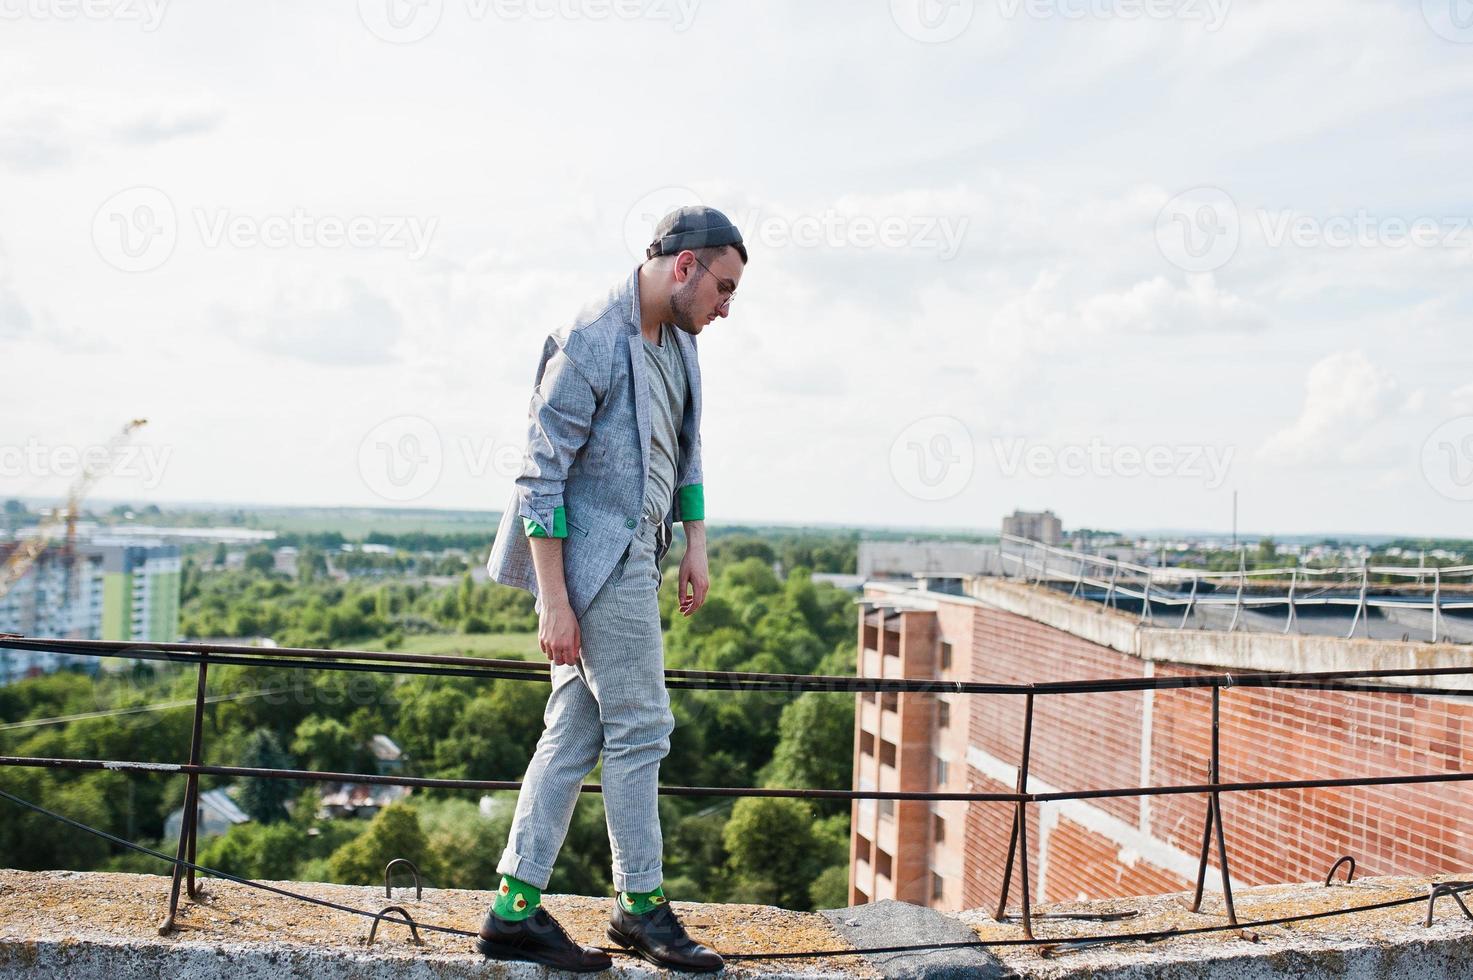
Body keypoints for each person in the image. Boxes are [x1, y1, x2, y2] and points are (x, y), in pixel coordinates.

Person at [476, 205, 748, 973]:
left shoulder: (682, 344)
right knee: (642, 728)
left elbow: (685, 450)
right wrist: (555, 601)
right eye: (722, 288)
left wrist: (695, 542)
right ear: (683, 266)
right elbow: (539, 480)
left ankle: (512, 911)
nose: (726, 307)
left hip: (647, 553)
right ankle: (641, 910)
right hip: (599, 564)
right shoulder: (592, 337)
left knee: (574, 733)